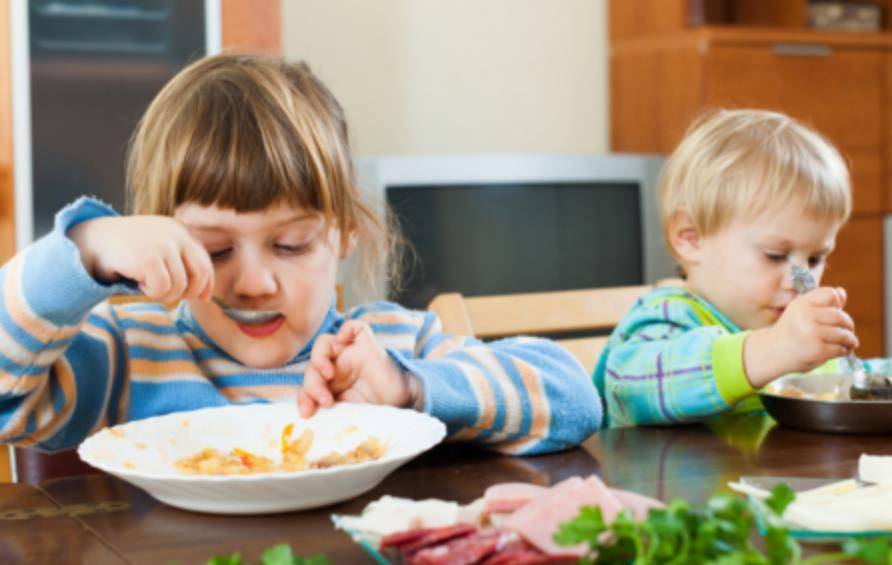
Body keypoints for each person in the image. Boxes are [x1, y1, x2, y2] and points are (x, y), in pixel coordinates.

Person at [0, 53, 601, 454]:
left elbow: (576, 399)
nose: (255, 282)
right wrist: (83, 250)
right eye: (214, 249)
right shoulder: (128, 353)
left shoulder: (389, 346)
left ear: (343, 235)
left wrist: (410, 389)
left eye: (290, 244)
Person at [593, 108, 884, 427]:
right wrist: (770, 351)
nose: (800, 281)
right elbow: (631, 388)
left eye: (815, 259)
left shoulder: (796, 333)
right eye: (774, 255)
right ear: (691, 238)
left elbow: (857, 378)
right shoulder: (669, 318)